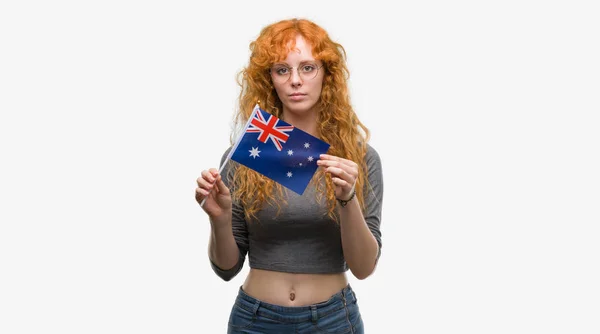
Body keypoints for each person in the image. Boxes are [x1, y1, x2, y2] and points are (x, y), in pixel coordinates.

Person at [195, 18, 383, 334]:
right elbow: (227, 268)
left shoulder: (359, 157)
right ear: (270, 79)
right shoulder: (247, 154)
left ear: (327, 74)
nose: (295, 80)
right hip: (255, 320)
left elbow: (364, 268)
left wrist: (347, 199)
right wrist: (219, 217)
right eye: (282, 70)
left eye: (307, 68)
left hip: (333, 321)